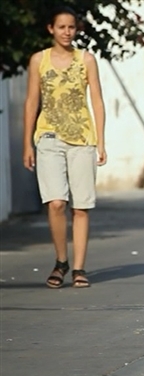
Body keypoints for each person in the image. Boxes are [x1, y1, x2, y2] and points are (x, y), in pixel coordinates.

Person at [23, 5, 107, 289]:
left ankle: (79, 268)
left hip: (82, 139)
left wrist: (101, 141)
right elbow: (31, 102)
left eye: (71, 27)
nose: (67, 32)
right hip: (48, 137)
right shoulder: (38, 60)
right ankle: (61, 261)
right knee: (56, 202)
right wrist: (27, 144)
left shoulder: (86, 60)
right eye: (61, 27)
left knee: (81, 206)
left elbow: (96, 99)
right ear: (51, 29)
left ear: (76, 30)